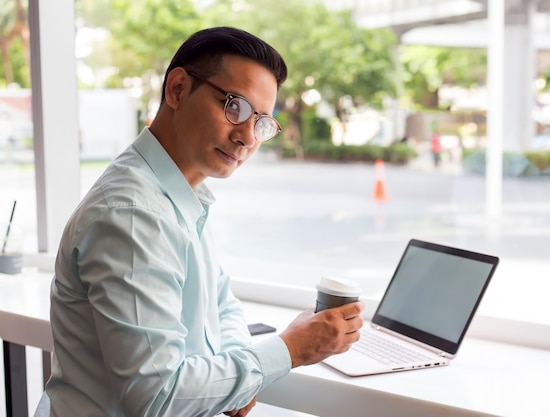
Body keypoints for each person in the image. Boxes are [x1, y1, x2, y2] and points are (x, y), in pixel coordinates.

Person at [35, 27, 364, 417]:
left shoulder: (182, 195)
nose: (246, 138)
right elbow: (157, 397)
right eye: (235, 108)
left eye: (261, 122)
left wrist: (244, 379)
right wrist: (289, 350)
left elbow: (221, 305)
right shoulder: (133, 213)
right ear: (177, 89)